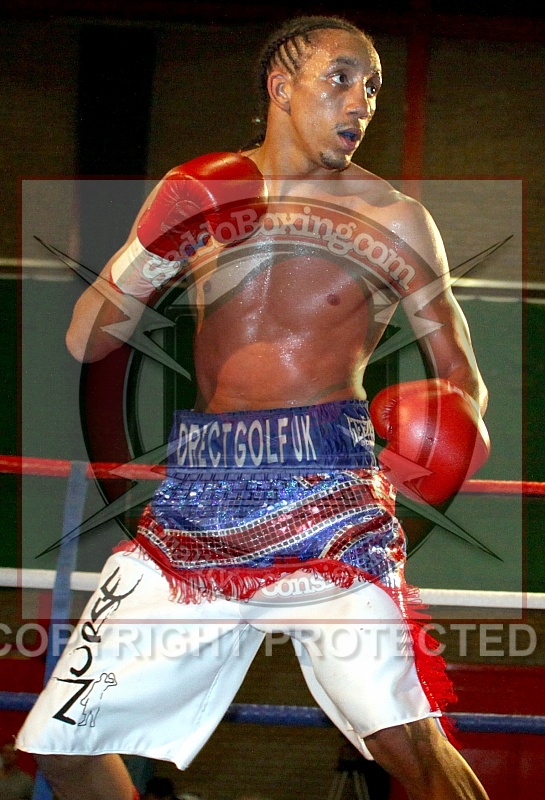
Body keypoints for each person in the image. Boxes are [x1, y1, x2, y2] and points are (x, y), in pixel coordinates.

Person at [16, 14, 490, 800]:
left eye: (372, 87)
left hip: (333, 500)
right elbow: (85, 338)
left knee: (407, 743)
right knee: (63, 746)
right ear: (280, 86)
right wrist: (155, 248)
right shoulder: (200, 190)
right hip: (199, 499)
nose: (361, 101)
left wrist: (444, 444)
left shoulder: (395, 218)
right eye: (340, 78)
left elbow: (459, 374)